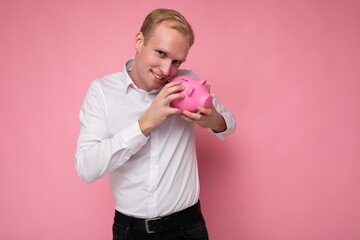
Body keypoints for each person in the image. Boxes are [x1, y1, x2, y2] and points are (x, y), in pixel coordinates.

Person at [75, 8, 236, 240]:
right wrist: (146, 123)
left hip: (188, 227)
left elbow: (229, 125)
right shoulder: (102, 92)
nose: (166, 70)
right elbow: (86, 168)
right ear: (139, 41)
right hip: (131, 232)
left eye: (176, 61)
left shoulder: (185, 82)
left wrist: (211, 118)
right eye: (161, 53)